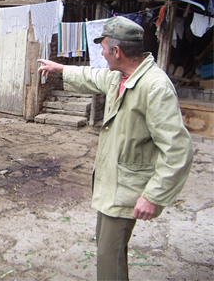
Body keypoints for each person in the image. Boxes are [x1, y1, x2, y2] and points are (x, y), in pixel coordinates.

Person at [38, 16, 193, 281]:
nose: (101, 52)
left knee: (109, 255)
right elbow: (93, 75)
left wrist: (154, 195)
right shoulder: (120, 76)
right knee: (107, 250)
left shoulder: (155, 87)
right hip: (113, 182)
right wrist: (60, 68)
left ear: (117, 51)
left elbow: (178, 149)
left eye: (104, 47)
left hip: (128, 188)